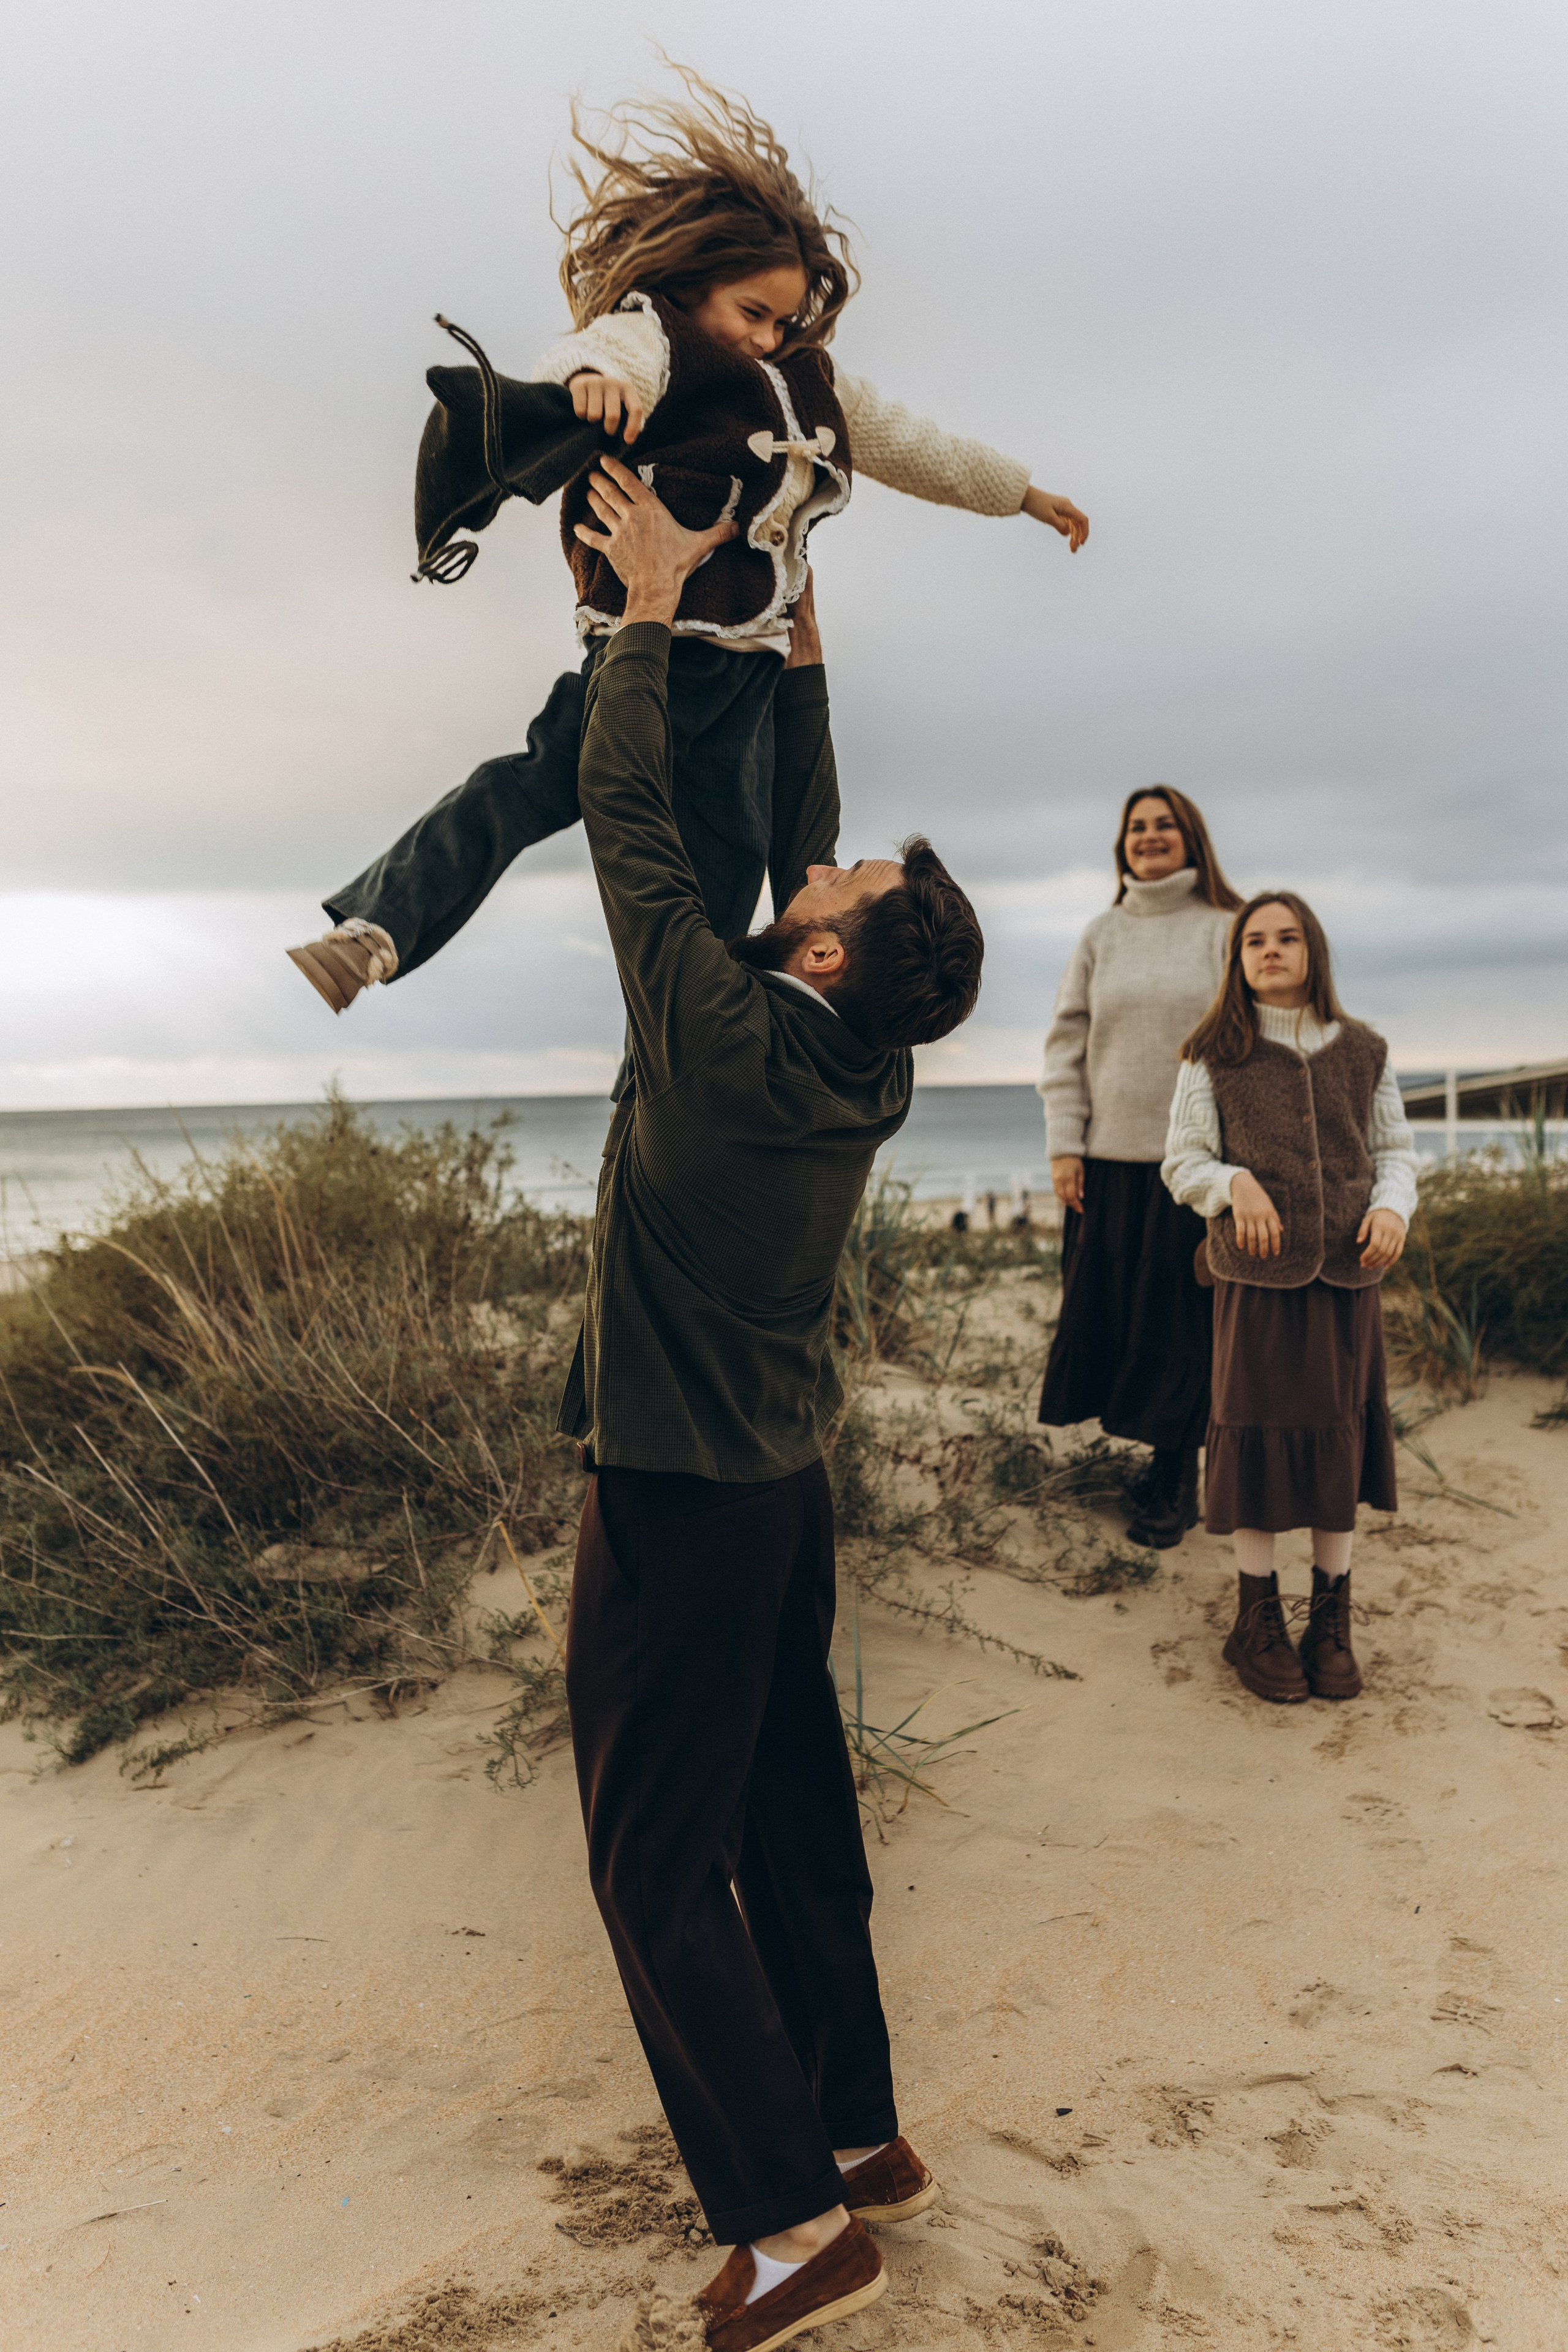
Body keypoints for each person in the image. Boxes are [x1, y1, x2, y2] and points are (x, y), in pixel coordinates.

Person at [555, 458, 983, 2350]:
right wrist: (796, 621)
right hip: (777, 1486)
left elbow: (630, 825)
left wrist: (650, 610)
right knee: (790, 1805)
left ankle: (795, 2227)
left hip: (677, 1494)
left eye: (841, 884)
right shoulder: (859, 1054)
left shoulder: (725, 1039)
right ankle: (862, 2123)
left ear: (817, 952)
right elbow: (796, 837)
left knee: (654, 1856)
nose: (826, 859)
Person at [286, 70, 1086, 1022]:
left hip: (745, 681)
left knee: (723, 892)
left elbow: (918, 447)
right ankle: (371, 932)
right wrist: (594, 384)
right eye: (753, 313)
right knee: (534, 785)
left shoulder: (810, 382)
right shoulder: (653, 341)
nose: (769, 336)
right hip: (645, 659)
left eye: (784, 321)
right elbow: (585, 360)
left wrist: (1020, 494)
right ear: (694, 288)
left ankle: (704, 1062)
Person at [1162, 893, 1418, 1704]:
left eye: (1287, 938)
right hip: (1257, 1283)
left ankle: (1330, 1619)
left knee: (1338, 1439)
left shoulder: (1365, 1050)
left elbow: (1396, 1153)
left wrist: (1391, 1208)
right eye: (1254, 941)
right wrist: (1233, 1183)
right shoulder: (1212, 1054)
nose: (1270, 951)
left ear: (1314, 951)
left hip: (1348, 1278)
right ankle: (1257, 1617)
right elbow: (1183, 1162)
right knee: (1260, 1439)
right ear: (1237, 960)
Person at [1037, 787, 1241, 1547]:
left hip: (1196, 1168)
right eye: (1136, 828)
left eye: (1164, 825)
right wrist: (1065, 1142)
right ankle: (1150, 1455)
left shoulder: (1227, 930)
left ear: (1191, 839)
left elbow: (1253, 1046)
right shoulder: (1101, 934)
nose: (1149, 837)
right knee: (1114, 1315)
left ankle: (1174, 1476)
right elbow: (1066, 1043)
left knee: (1181, 1326)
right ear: (1122, 846)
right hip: (1106, 1162)